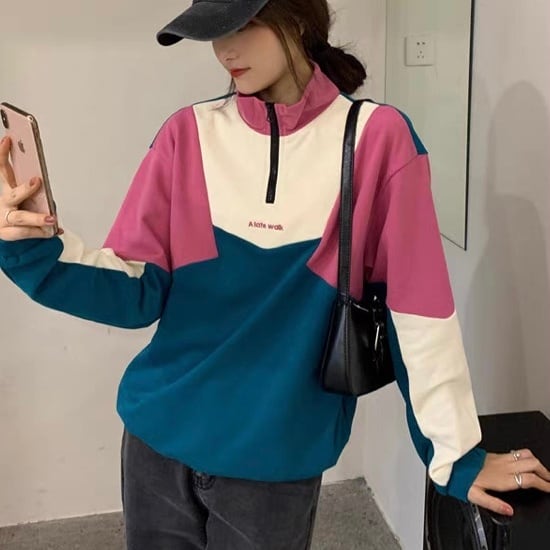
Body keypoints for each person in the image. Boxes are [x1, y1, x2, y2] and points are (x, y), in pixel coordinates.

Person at [1, 0, 549, 548]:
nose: (225, 49)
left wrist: (456, 455)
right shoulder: (187, 134)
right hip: (157, 440)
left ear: (299, 18)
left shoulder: (377, 139)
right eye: (214, 31)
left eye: (243, 25)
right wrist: (28, 245)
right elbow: (136, 291)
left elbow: (418, 310)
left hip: (275, 462)